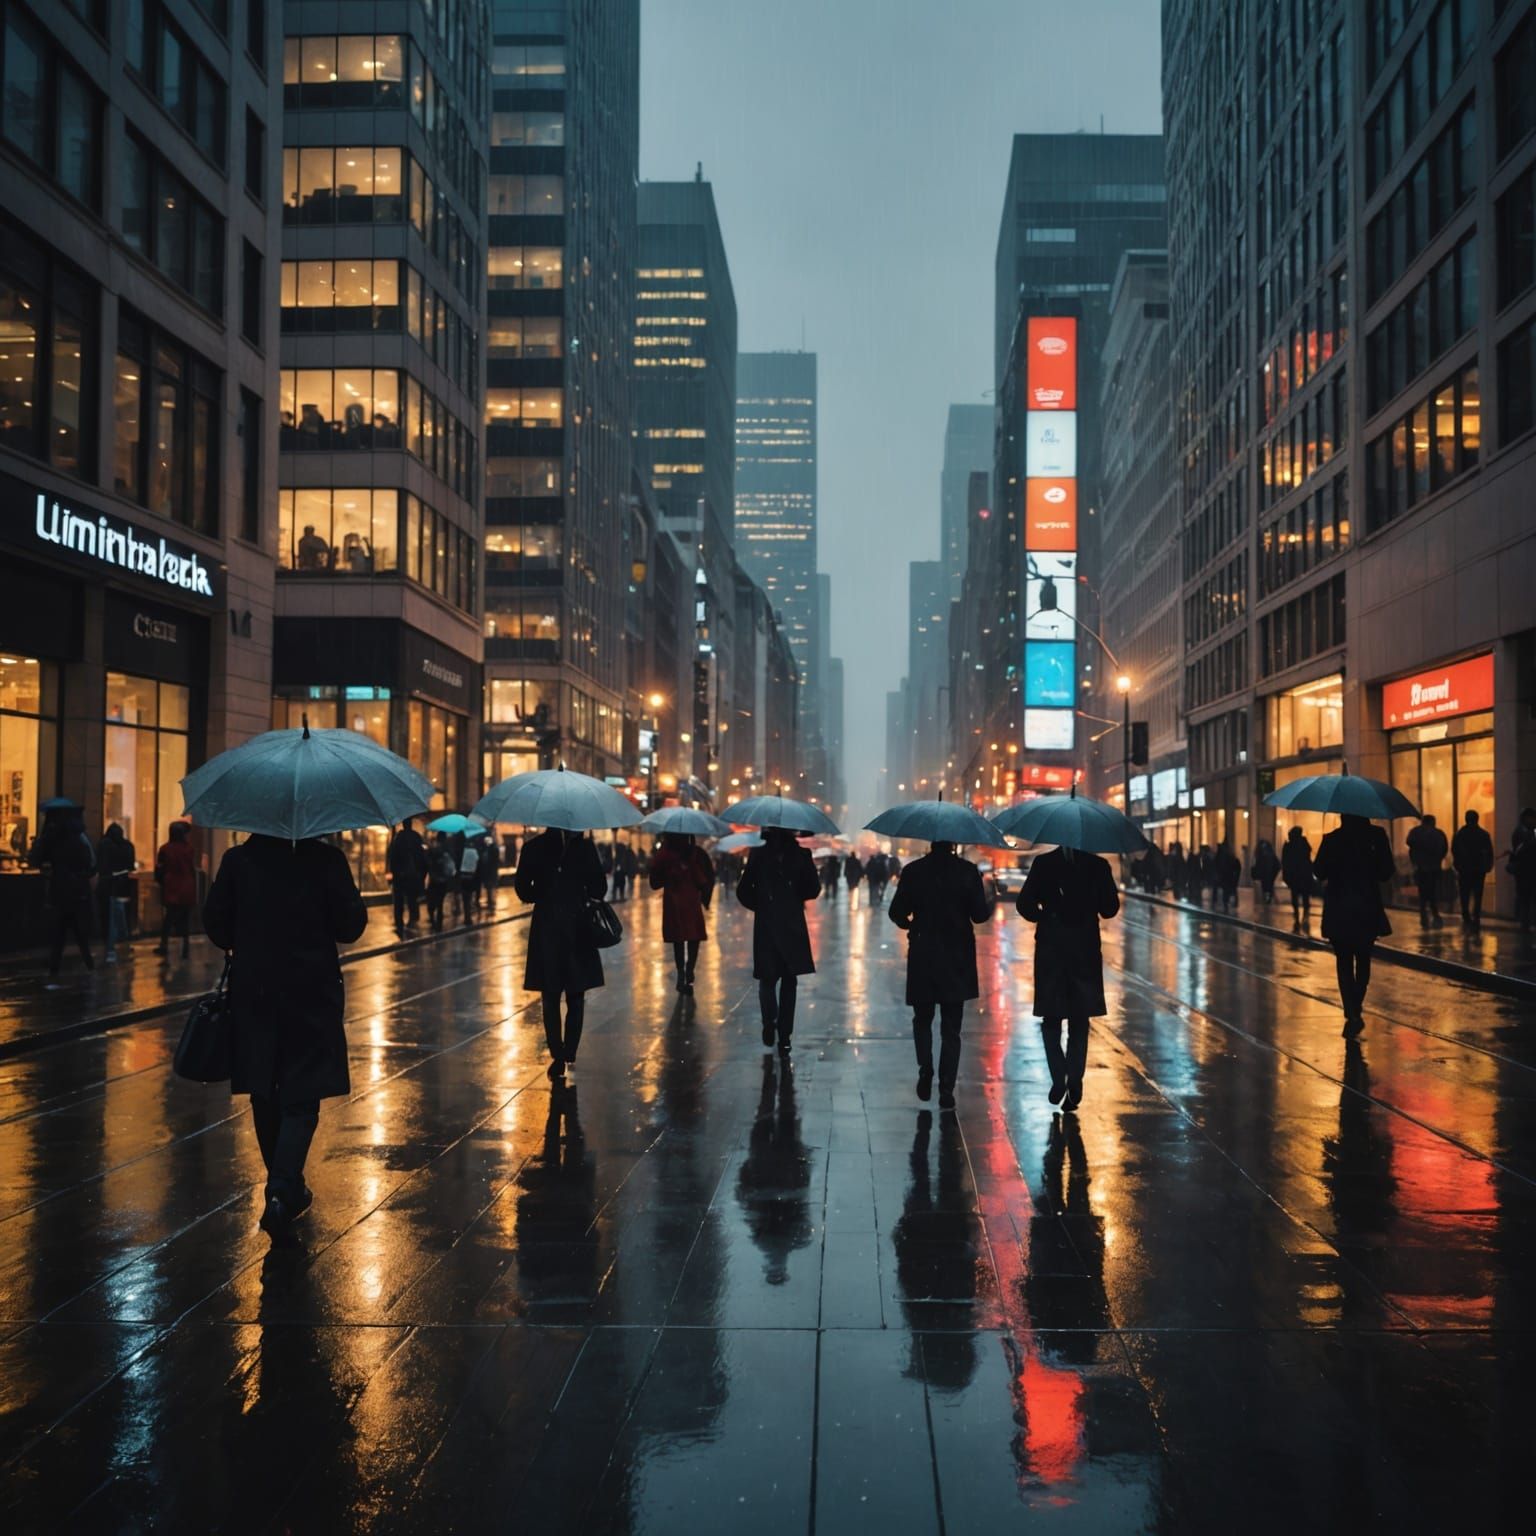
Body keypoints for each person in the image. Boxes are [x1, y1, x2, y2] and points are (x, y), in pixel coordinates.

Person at [203, 832, 368, 1231]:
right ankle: (281, 1189)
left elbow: (216, 925)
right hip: (311, 990)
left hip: (254, 990)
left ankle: (285, 1187)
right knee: (302, 1094)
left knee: (264, 1090)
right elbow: (351, 926)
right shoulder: (327, 860)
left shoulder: (238, 860)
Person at [888, 840, 993, 1110]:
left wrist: (910, 923)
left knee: (922, 1018)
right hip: (956, 957)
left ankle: (926, 1068)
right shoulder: (968, 871)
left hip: (924, 953)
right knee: (951, 1028)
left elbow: (896, 912)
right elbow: (980, 915)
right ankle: (947, 1088)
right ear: (954, 843)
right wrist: (990, 895)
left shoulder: (914, 871)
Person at [1016, 845, 1120, 1111]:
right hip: (1084, 950)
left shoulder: (1044, 863)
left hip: (1052, 949)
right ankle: (1074, 1079)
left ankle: (1058, 1076)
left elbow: (1024, 903)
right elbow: (1109, 909)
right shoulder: (1097, 866)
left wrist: (1045, 915)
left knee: (1051, 1019)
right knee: (1079, 1019)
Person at [514, 826, 608, 1080]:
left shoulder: (533, 847)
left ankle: (557, 1052)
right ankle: (569, 1051)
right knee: (576, 994)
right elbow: (600, 888)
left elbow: (523, 889)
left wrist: (544, 893)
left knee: (550, 993)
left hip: (547, 927)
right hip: (578, 926)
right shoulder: (584, 848)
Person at [737, 827, 822, 1056]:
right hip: (792, 925)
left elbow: (743, 891)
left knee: (767, 979)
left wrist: (764, 905)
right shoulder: (802, 856)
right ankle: (785, 1037)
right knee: (789, 981)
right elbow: (813, 889)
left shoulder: (758, 855)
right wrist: (793, 896)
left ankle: (769, 1021)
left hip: (767, 926)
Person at [1313, 812, 1394, 1037]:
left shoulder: (1332, 839)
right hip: (1366, 905)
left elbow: (1318, 871)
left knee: (1344, 961)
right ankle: (1356, 1004)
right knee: (1364, 957)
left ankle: (1351, 1011)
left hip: (1339, 907)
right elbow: (1387, 872)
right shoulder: (1376, 837)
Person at [29, 803, 95, 979]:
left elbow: (35, 859)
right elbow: (90, 864)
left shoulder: (53, 838)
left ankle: (55, 968)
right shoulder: (80, 838)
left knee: (59, 930)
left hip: (60, 889)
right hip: (78, 890)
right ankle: (88, 963)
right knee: (77, 930)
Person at [649, 832, 715, 993]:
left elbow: (654, 881)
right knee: (693, 938)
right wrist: (705, 899)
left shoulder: (665, 854)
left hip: (673, 903)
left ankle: (681, 974)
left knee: (678, 941)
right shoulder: (695, 853)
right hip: (691, 902)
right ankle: (689, 969)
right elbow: (704, 880)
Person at [155, 821, 198, 959]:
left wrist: (161, 882)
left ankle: (164, 945)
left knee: (169, 918)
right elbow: (191, 868)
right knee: (185, 918)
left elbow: (160, 870)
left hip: (172, 886)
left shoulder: (165, 849)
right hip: (187, 886)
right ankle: (185, 946)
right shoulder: (189, 849)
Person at [95, 821, 136, 962]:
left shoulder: (103, 844)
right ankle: (124, 938)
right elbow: (131, 866)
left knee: (108, 917)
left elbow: (99, 865)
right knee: (121, 913)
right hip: (123, 885)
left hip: (107, 885)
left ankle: (110, 945)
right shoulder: (128, 846)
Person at [1450, 810, 1493, 931]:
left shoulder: (1460, 834)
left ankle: (1466, 915)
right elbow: (1489, 852)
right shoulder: (1483, 834)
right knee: (1478, 894)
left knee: (1465, 893)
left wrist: (1458, 865)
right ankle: (1476, 916)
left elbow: (1454, 851)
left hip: (1464, 869)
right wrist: (1488, 865)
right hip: (1479, 869)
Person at [1406, 812, 1448, 926]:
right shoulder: (1438, 833)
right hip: (1434, 867)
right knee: (1433, 892)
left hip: (1421, 867)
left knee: (1423, 892)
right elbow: (1444, 849)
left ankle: (1424, 915)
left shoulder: (1415, 832)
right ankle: (1434, 914)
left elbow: (1409, 842)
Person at [386, 817, 428, 931]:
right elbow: (422, 858)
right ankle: (412, 920)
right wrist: (422, 874)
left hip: (400, 875)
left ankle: (399, 923)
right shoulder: (416, 837)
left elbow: (393, 857)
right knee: (412, 899)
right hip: (413, 875)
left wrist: (394, 873)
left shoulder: (398, 838)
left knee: (399, 900)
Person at [1281, 826, 1315, 926]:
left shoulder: (1289, 845)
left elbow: (1285, 862)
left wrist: (1286, 875)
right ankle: (1304, 916)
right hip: (1303, 875)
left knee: (1296, 897)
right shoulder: (1304, 844)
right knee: (1305, 897)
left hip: (1295, 876)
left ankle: (1297, 916)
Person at [1511, 807, 1536, 937]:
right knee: (1525, 897)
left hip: (1528, 870)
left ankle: (1526, 922)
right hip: (1524, 871)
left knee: (1527, 897)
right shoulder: (1521, 832)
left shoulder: (1529, 831)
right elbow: (1519, 850)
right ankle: (1524, 923)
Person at [426, 832, 456, 932]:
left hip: (434, 878)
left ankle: (432, 917)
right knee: (440, 901)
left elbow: (428, 863)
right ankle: (439, 921)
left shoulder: (433, 849)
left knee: (432, 899)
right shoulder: (447, 850)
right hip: (444, 879)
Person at [456, 835, 480, 925]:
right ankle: (468, 916)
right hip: (471, 876)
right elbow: (477, 862)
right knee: (469, 897)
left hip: (463, 875)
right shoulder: (474, 852)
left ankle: (467, 916)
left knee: (465, 897)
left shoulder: (462, 852)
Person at [1213, 842, 1241, 911]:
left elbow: (1236, 867)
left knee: (1228, 890)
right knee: (1228, 890)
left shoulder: (1227, 857)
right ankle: (1225, 902)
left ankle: (1226, 902)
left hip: (1227, 876)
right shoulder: (1226, 857)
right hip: (1226, 876)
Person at [1251, 839, 1280, 904]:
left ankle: (1268, 898)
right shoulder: (1269, 853)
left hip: (1267, 872)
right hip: (1269, 872)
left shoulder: (1262, 854)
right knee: (1268, 886)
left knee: (1266, 886)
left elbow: (1257, 864)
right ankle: (1269, 898)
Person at [478, 832, 501, 913]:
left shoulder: (492, 848)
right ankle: (490, 901)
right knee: (489, 886)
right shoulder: (489, 848)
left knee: (490, 886)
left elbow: (494, 860)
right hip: (489, 870)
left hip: (490, 870)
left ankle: (491, 902)